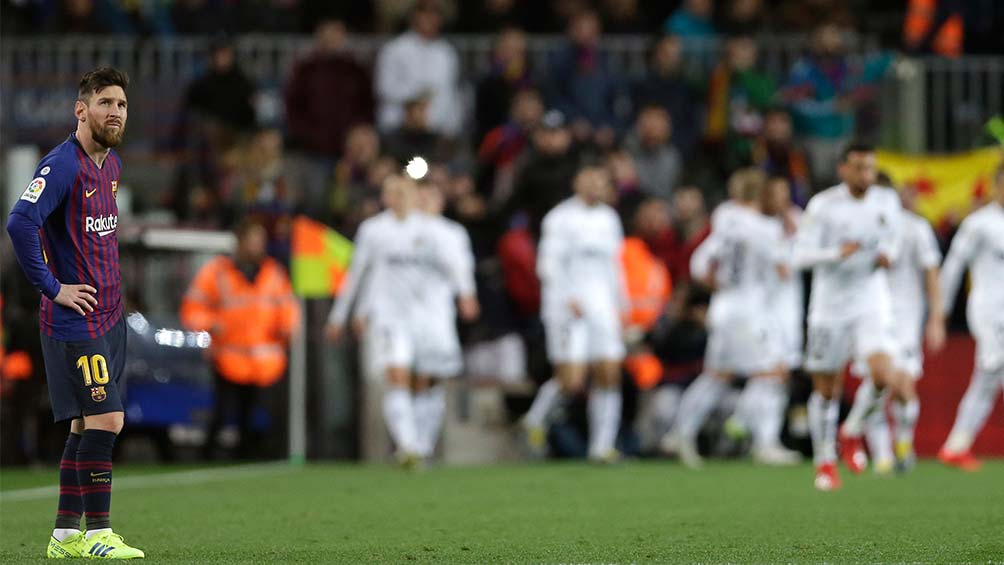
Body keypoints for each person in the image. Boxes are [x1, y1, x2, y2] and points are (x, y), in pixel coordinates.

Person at [5, 67, 145, 559]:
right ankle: (100, 533)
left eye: (122, 104)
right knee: (107, 420)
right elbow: (20, 222)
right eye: (105, 103)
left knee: (86, 425)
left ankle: (64, 536)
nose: (115, 112)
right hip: (76, 318)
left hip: (108, 315)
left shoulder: (112, 166)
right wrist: (52, 287)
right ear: (80, 109)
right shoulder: (63, 165)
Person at [324, 174, 474, 466]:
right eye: (391, 193)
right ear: (384, 197)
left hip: (430, 318)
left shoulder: (433, 230)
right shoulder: (374, 230)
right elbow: (359, 274)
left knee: (426, 382)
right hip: (391, 316)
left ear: (414, 195)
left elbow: (457, 264)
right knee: (397, 376)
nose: (397, 198)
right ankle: (407, 447)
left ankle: (422, 445)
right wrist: (344, 314)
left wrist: (466, 293)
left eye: (403, 192)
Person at [661, 169, 794, 467]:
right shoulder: (765, 228)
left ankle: (679, 433)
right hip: (748, 310)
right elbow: (784, 268)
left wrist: (717, 282)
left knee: (717, 375)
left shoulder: (724, 218)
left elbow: (700, 265)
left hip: (723, 306)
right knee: (773, 373)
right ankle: (763, 441)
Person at [793, 143, 903, 491]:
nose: (865, 175)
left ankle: (852, 431)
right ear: (843, 170)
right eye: (858, 167)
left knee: (884, 375)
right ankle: (824, 461)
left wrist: (888, 254)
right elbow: (799, 255)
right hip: (829, 305)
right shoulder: (823, 206)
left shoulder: (886, 201)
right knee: (827, 389)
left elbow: (894, 238)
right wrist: (835, 253)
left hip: (871, 298)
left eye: (869, 168)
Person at [520, 166, 627, 463]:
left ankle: (602, 446)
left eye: (601, 181)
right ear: (576, 182)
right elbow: (547, 264)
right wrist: (568, 297)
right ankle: (535, 420)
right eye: (589, 180)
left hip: (603, 305)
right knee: (572, 381)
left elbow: (615, 267)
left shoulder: (609, 218)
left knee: (609, 372)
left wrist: (622, 306)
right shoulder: (560, 218)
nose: (595, 186)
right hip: (568, 307)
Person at [180, 219, 301, 460]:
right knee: (223, 413)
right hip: (228, 356)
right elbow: (192, 308)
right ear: (241, 241)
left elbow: (287, 307)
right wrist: (211, 324)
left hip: (264, 362)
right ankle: (209, 456)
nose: (257, 246)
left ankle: (251, 455)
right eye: (253, 240)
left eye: (260, 241)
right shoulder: (217, 272)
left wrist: (287, 328)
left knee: (256, 415)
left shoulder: (273, 273)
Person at [847, 181, 945, 474]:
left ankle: (903, 440)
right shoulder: (861, 228)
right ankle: (882, 455)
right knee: (877, 381)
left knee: (903, 385)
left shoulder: (916, 228)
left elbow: (931, 272)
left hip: (906, 318)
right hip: (869, 313)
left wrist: (936, 317)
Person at [937, 164, 1004, 471]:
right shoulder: (979, 224)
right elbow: (953, 265)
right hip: (988, 311)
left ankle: (956, 445)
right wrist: (940, 311)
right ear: (995, 187)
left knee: (987, 380)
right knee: (991, 367)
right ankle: (957, 444)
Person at [375, 0, 461, 138]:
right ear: (413, 15)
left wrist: (451, 127)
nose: (429, 18)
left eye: (435, 12)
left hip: (435, 131)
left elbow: (450, 92)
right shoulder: (394, 49)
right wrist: (416, 104)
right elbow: (385, 88)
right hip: (398, 128)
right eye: (424, 12)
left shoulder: (447, 53)